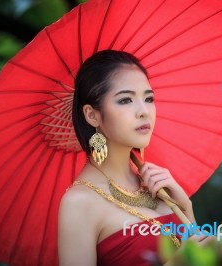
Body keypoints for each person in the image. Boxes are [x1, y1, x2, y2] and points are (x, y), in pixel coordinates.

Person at [58, 50, 211, 266]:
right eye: (126, 100)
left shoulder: (156, 184)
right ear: (92, 115)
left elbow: (197, 255)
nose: (143, 111)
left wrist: (187, 209)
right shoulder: (79, 203)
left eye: (148, 98)